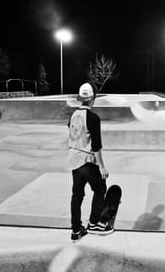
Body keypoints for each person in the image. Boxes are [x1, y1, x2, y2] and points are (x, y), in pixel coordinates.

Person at [67, 82, 113, 242]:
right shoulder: (93, 118)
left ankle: (76, 230)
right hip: (87, 161)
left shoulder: (73, 115)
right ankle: (93, 223)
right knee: (100, 189)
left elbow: (72, 130)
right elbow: (96, 145)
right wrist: (102, 167)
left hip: (73, 160)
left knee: (77, 195)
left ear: (81, 98)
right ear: (93, 97)